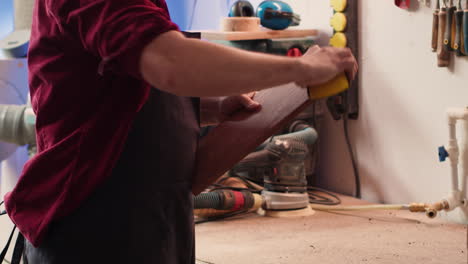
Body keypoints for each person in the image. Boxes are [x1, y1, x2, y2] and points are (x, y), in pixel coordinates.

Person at [3, 0, 357, 263]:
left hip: (152, 217)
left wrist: (209, 108)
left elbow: (121, 95)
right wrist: (299, 69)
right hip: (95, 225)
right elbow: (169, 61)